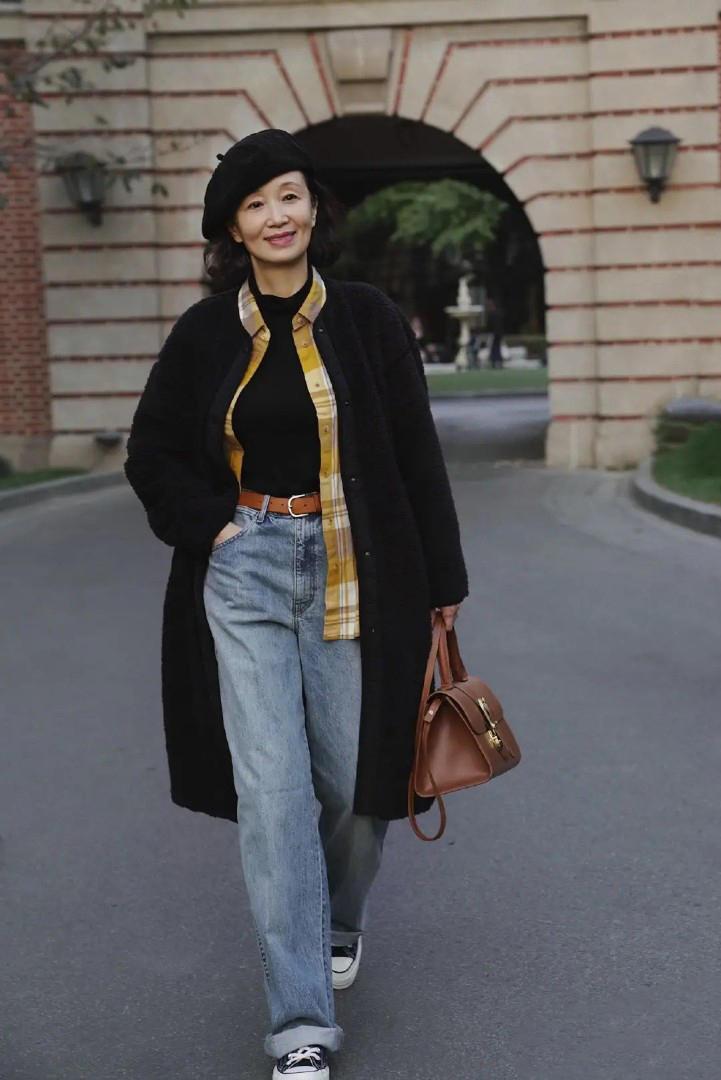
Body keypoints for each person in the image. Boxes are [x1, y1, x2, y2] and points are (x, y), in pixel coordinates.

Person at [123, 128, 468, 1080]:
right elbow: (151, 452)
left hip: (355, 569)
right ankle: (299, 1024)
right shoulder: (203, 334)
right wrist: (213, 527)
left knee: (359, 783)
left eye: (287, 195)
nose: (276, 217)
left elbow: (414, 453)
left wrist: (443, 588)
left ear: (313, 206)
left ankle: (340, 918)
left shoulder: (368, 320)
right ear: (233, 231)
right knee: (273, 798)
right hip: (244, 571)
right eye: (254, 205)